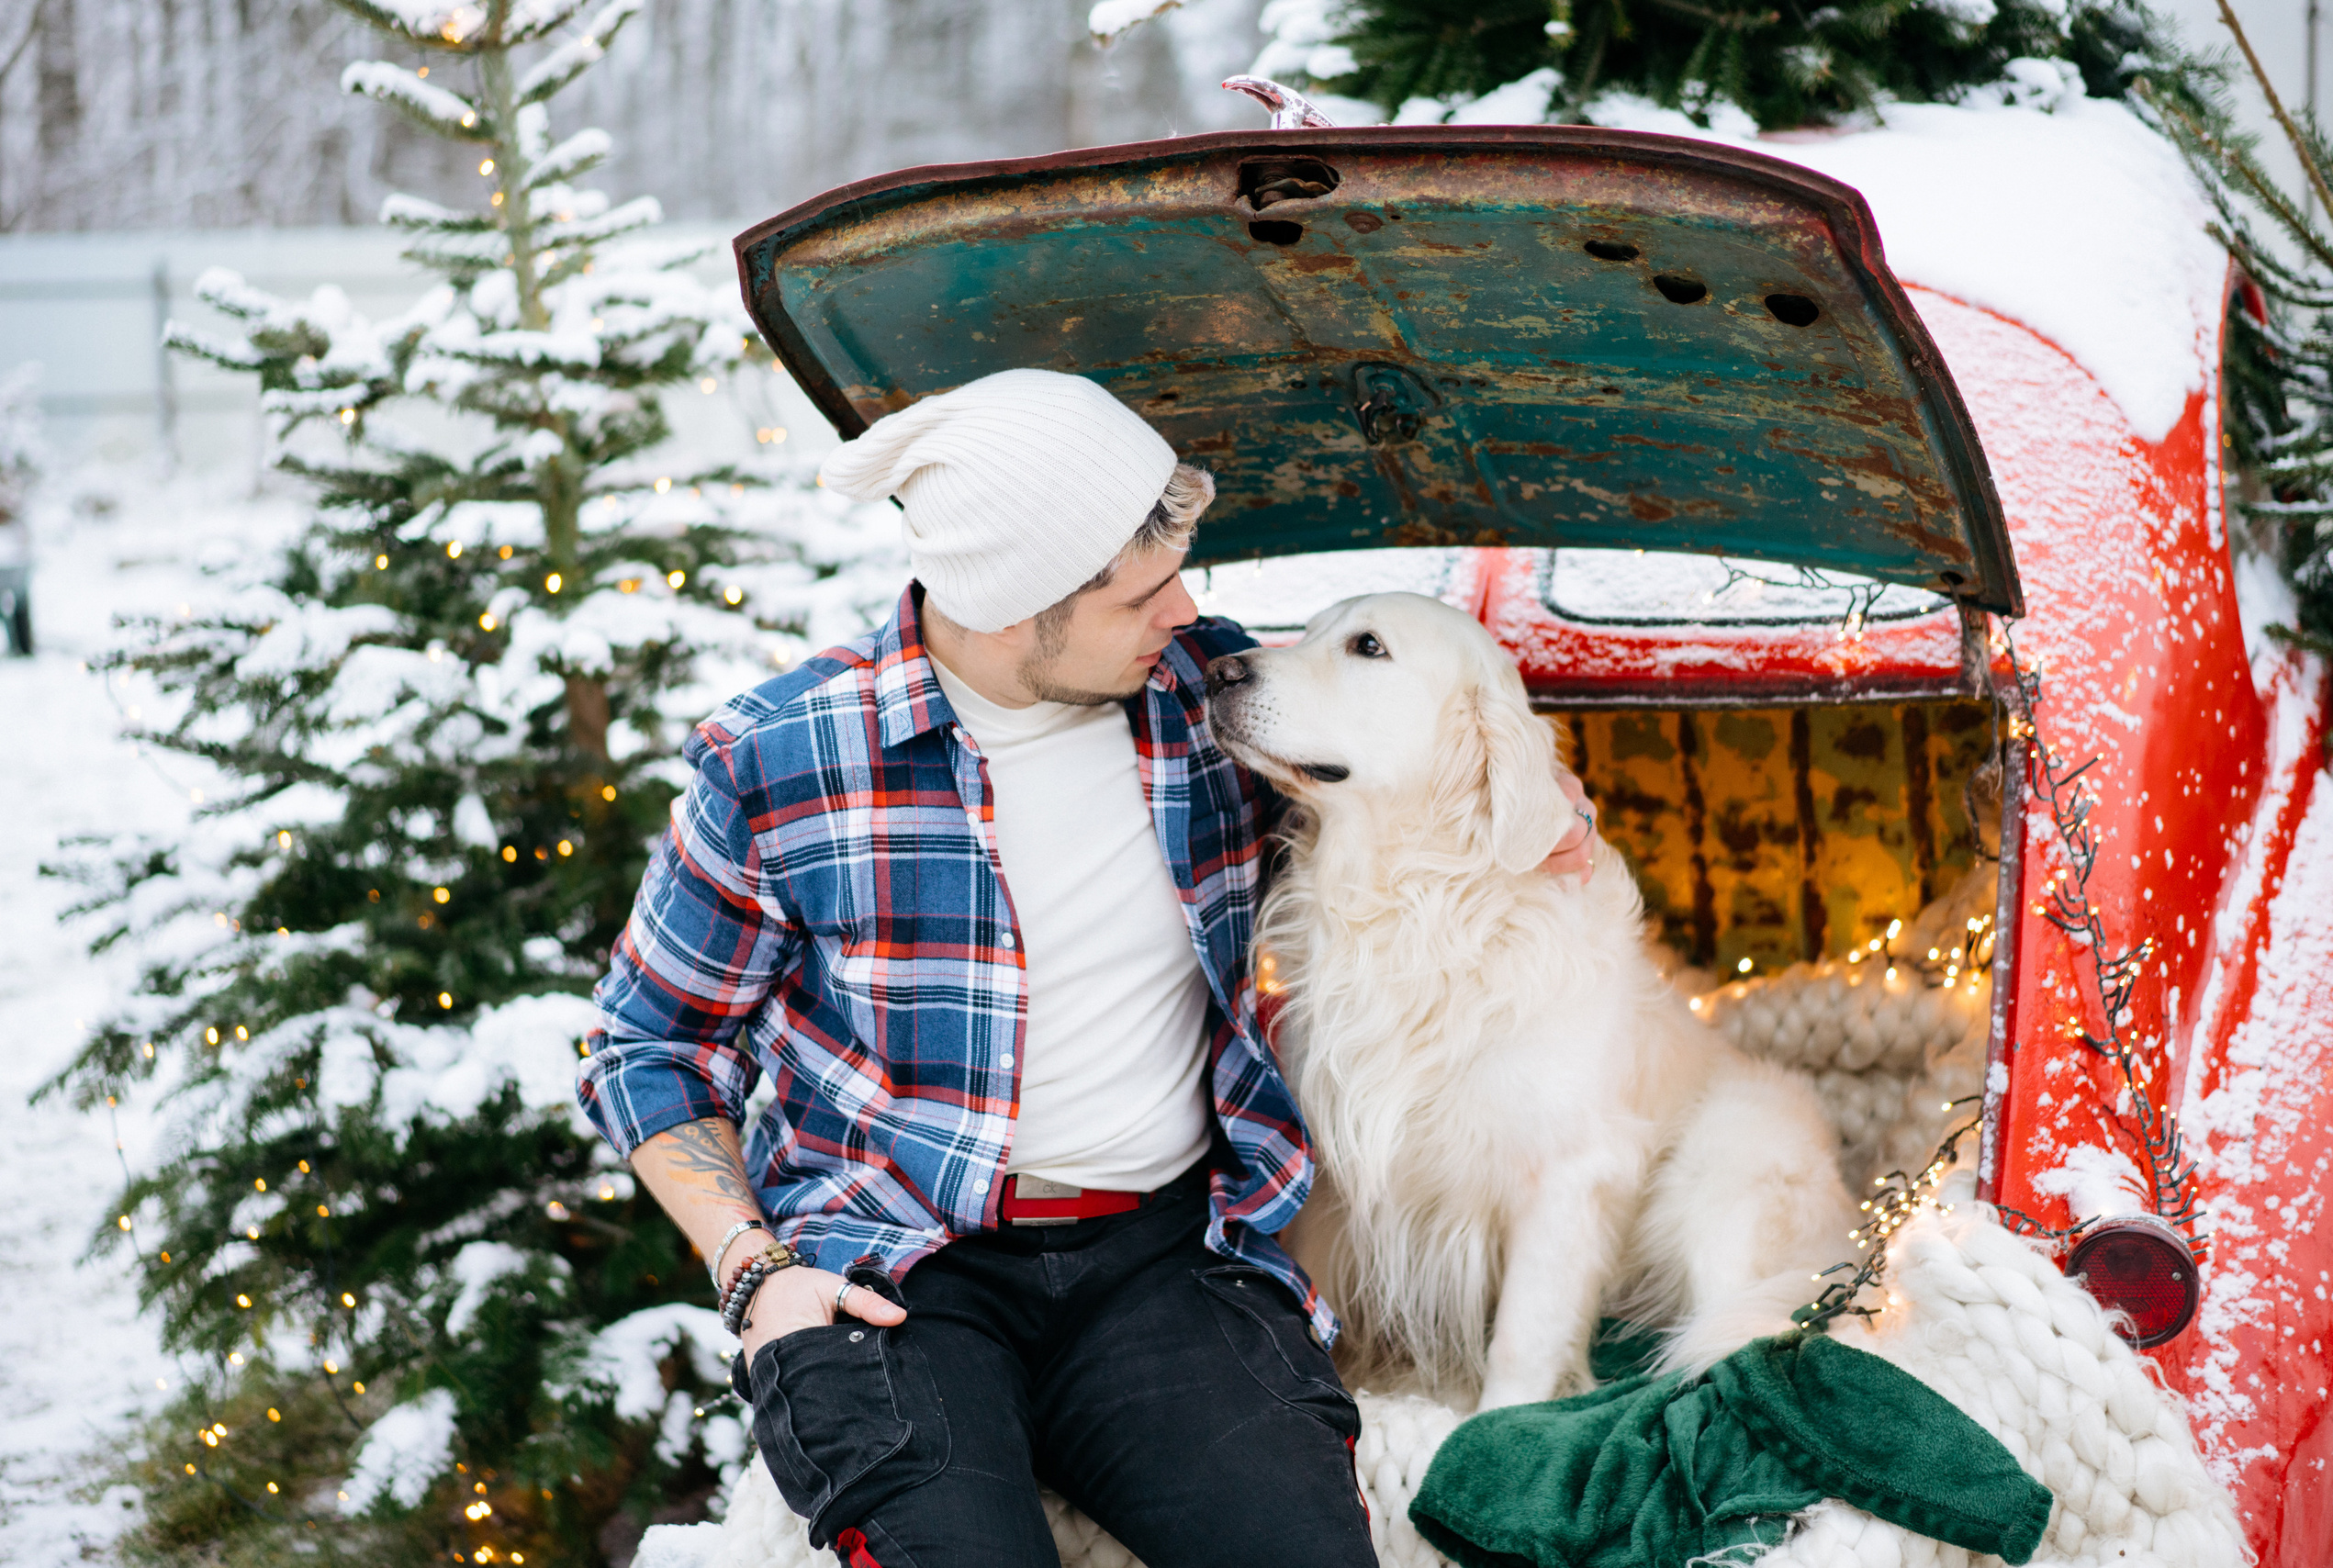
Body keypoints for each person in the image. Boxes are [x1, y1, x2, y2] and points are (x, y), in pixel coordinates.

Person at [578, 369, 1598, 1568]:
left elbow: (1421, 761)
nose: (1186, 612)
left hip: (1165, 1267)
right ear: (1015, 606)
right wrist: (754, 1271)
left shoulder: (1203, 703)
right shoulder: (783, 761)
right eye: (1139, 592)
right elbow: (649, 1041)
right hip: (900, 1277)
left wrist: (1543, 809)